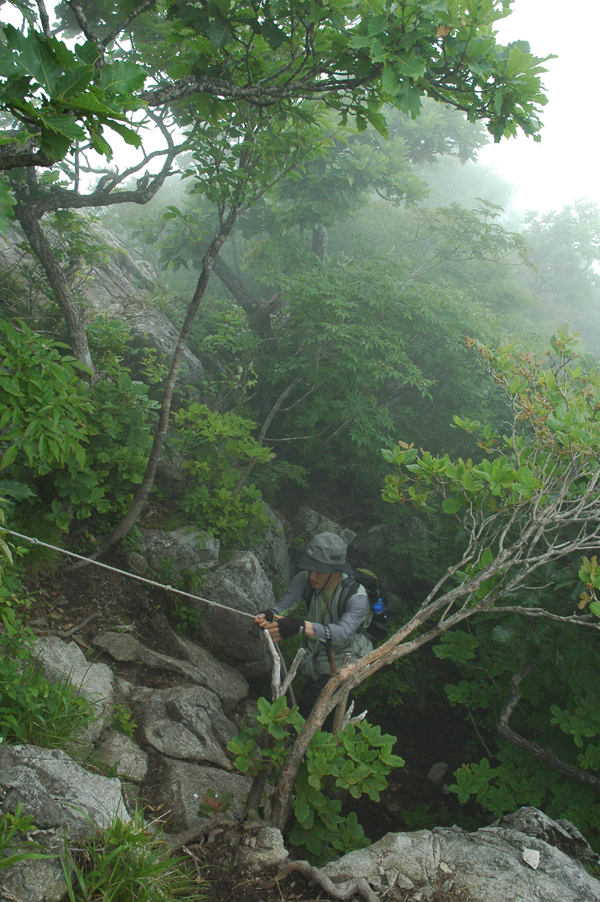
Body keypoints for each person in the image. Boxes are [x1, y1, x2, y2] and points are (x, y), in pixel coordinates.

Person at [255, 531, 373, 725]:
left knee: (312, 702)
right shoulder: (305, 579)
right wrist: (269, 614)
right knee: (310, 704)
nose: (311, 575)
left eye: (318, 570)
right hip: (321, 657)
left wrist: (301, 626)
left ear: (336, 571)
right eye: (310, 568)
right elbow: (286, 603)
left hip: (350, 656)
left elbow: (342, 633)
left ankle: (320, 746)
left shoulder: (356, 597)